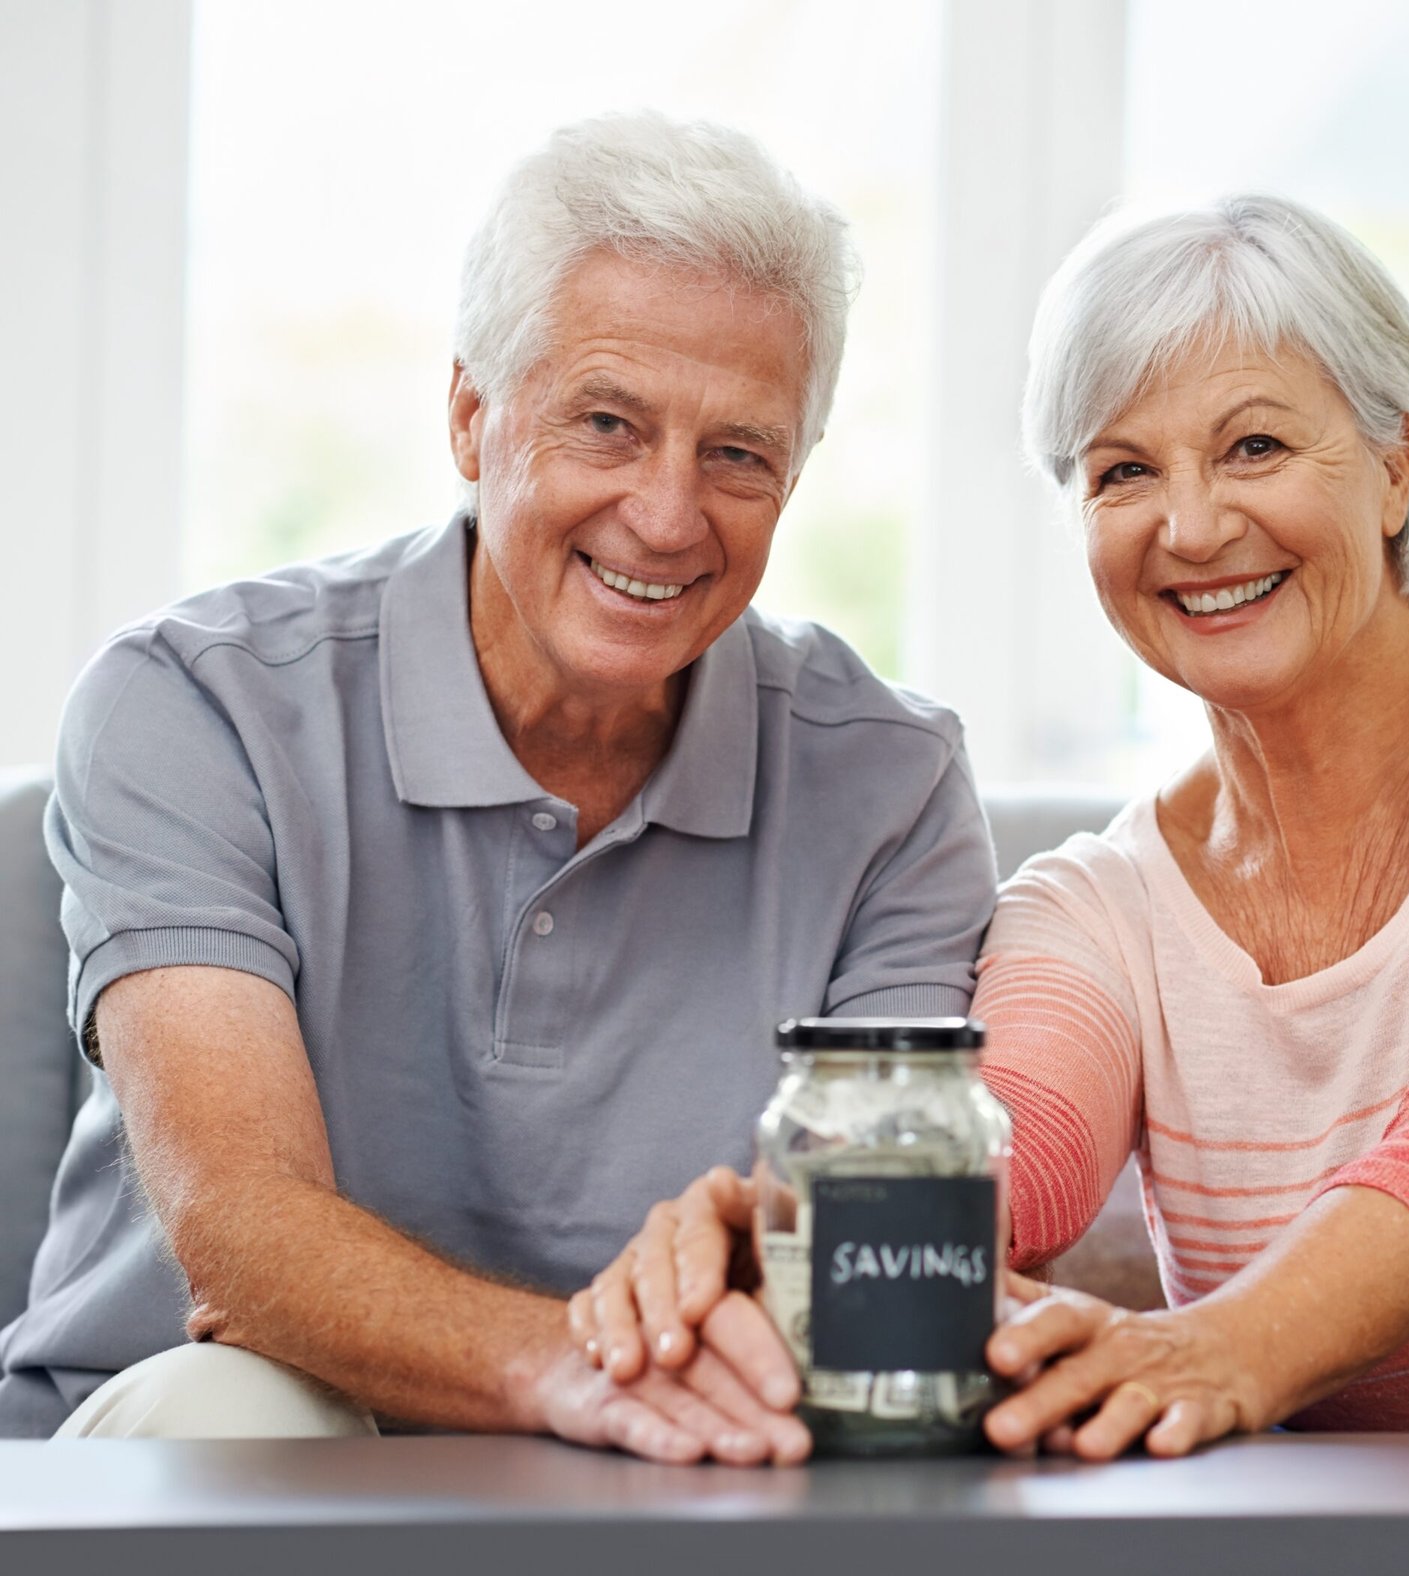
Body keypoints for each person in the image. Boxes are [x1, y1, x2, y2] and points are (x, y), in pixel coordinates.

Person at [579, 194, 1409, 1451]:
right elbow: (1004, 1179)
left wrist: (1219, 1349)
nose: (1194, 524)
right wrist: (805, 1236)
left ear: (1395, 465)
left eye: (1255, 446)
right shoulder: (1091, 905)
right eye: (1124, 470)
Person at [0, 111, 997, 1455]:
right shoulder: (195, 703)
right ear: (474, 417)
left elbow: (860, 1264)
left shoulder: (894, 784)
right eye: (608, 422)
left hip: (665, 1464)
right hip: (198, 1444)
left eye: (739, 454)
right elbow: (243, 1234)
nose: (665, 512)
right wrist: (573, 1372)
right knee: (247, 1414)